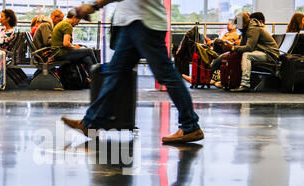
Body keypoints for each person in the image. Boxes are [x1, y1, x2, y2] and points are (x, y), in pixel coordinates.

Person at [62, 0, 203, 144]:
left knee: (164, 74)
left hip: (143, 23)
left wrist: (94, 6)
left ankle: (190, 124)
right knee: (115, 74)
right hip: (133, 23)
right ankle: (91, 123)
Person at [221, 13, 279, 93]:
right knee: (239, 54)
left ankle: (245, 84)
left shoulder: (253, 28)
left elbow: (249, 48)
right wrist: (232, 48)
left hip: (270, 53)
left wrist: (233, 48)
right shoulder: (246, 29)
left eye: (238, 25)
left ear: (242, 24)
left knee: (247, 55)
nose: (237, 28)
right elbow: (242, 46)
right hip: (260, 51)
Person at [51, 9, 98, 78]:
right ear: (74, 17)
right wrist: (75, 47)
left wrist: (75, 47)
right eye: (78, 21)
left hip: (58, 52)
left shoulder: (62, 24)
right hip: (61, 53)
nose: (77, 23)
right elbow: (66, 44)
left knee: (86, 58)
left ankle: (93, 78)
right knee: (89, 50)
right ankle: (98, 74)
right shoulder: (67, 26)